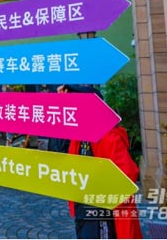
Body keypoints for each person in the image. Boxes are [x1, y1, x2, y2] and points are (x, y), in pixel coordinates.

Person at [58, 85, 142, 239]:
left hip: (101, 211)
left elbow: (128, 174)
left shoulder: (106, 134)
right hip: (83, 209)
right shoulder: (80, 132)